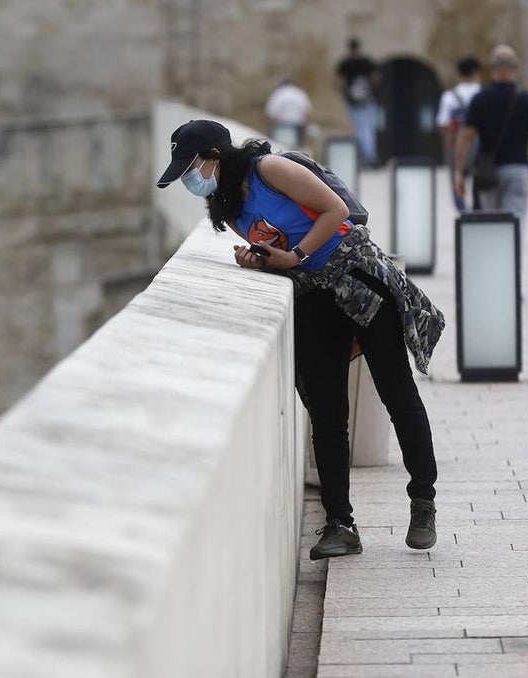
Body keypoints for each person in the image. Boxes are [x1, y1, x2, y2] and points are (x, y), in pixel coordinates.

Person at [156, 119, 444, 559]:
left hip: (358, 278)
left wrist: (295, 255)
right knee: (326, 414)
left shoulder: (269, 169)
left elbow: (336, 213)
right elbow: (278, 247)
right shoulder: (227, 206)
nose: (190, 181)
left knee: (397, 394)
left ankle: (423, 501)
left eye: (191, 168)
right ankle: (339, 523)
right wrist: (260, 259)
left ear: (215, 157)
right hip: (313, 297)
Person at [454, 45, 528, 237]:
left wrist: (459, 172)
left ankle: (494, 264)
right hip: (518, 170)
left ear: (493, 68)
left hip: (488, 172)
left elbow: (466, 137)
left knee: (491, 224)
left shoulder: (480, 99)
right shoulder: (527, 100)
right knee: (515, 225)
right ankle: (512, 264)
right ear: (515, 68)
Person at [436, 56, 482, 212]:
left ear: (459, 73)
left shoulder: (450, 96)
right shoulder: (482, 94)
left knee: (457, 177)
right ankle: (478, 208)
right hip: (480, 144)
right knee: (480, 179)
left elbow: (442, 124)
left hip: (456, 143)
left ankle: (462, 209)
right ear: (476, 73)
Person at [335, 38, 379, 166]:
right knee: (368, 128)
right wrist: (372, 90)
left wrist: (343, 93)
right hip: (367, 99)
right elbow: (375, 77)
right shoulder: (366, 62)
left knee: (360, 129)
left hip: (353, 101)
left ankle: (367, 156)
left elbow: (337, 79)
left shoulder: (346, 63)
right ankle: (370, 155)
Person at [264, 77, 313, 150]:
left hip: (280, 127)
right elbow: (308, 112)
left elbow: (271, 113)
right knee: (296, 150)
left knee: (277, 148)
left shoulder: (279, 93)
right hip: (297, 127)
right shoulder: (299, 93)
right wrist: (308, 126)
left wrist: (269, 130)